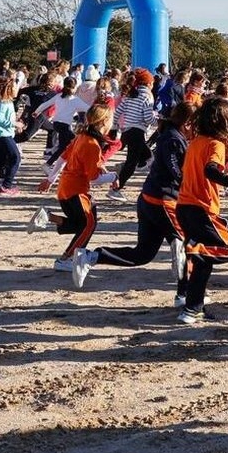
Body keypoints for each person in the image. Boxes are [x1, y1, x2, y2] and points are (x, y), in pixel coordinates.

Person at [70, 101, 192, 289]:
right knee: (187, 245)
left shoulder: (171, 135)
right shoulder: (172, 139)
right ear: (187, 123)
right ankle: (186, 296)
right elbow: (177, 172)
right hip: (162, 201)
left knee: (143, 254)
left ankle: (91, 257)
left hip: (149, 200)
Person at [173, 97, 228, 323]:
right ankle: (190, 252)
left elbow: (205, 168)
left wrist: (224, 169)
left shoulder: (196, 142)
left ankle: (192, 307)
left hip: (184, 205)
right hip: (201, 207)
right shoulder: (216, 144)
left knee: (203, 263)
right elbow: (210, 171)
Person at [29, 103, 116, 271]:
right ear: (104, 121)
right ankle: (66, 259)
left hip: (64, 189)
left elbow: (62, 158)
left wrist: (50, 179)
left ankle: (48, 216)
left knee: (78, 224)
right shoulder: (92, 144)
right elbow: (95, 178)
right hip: (78, 191)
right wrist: (114, 177)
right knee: (89, 225)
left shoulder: (81, 137)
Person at [110, 69, 156, 200]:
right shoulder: (147, 96)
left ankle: (151, 185)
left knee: (148, 158)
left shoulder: (131, 94)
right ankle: (116, 188)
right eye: (152, 82)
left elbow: (118, 111)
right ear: (148, 83)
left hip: (127, 130)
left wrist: (114, 126)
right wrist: (158, 122)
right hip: (137, 131)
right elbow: (147, 117)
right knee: (134, 162)